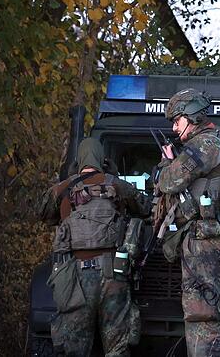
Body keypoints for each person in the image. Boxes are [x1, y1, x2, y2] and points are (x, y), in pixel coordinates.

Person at [38, 137, 151, 356]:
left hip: (75, 279)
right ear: (102, 158)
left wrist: (69, 178)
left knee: (74, 348)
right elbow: (144, 208)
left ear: (79, 159)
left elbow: (42, 213)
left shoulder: (63, 189)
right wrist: (115, 177)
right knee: (117, 346)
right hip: (114, 275)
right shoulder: (117, 185)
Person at [154, 88, 220, 357]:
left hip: (206, 243)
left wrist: (165, 165)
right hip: (216, 237)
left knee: (202, 315)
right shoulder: (216, 142)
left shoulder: (204, 144)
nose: (173, 127)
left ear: (192, 116)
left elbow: (169, 182)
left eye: (176, 120)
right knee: (204, 312)